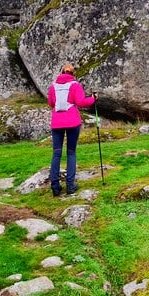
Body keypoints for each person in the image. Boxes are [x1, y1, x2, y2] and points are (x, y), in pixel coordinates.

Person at [47, 62, 96, 196]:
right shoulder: (75, 85)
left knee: (56, 153)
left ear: (61, 72)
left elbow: (51, 103)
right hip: (72, 121)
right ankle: (70, 185)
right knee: (71, 152)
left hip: (57, 122)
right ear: (73, 73)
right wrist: (93, 99)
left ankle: (55, 186)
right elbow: (81, 102)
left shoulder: (53, 87)